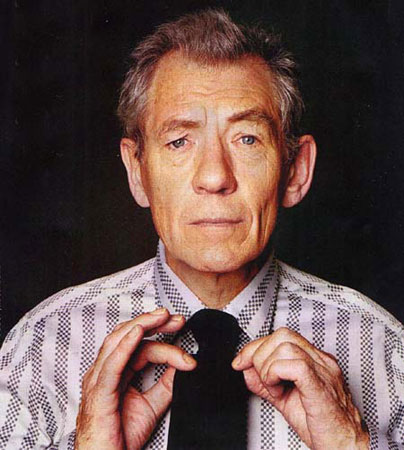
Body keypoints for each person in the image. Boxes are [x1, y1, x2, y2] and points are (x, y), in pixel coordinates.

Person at [1, 8, 403, 450]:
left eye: (247, 139)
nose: (214, 177)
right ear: (137, 171)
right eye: (179, 141)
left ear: (295, 171)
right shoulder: (42, 348)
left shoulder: (384, 351)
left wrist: (350, 445)